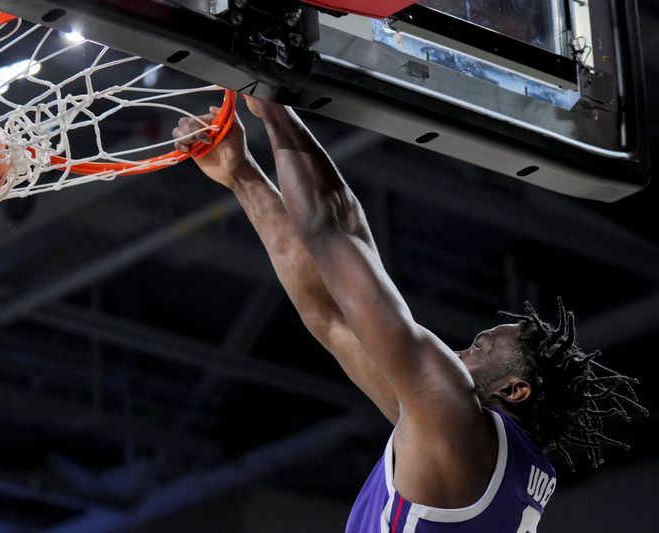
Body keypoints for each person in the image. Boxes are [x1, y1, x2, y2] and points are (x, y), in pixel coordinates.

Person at [172, 97, 646, 532]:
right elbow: (330, 318)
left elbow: (334, 228)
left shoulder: (454, 418)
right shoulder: (482, 455)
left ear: (513, 389)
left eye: (480, 348)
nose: (460, 351)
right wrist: (241, 175)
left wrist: (272, 97)